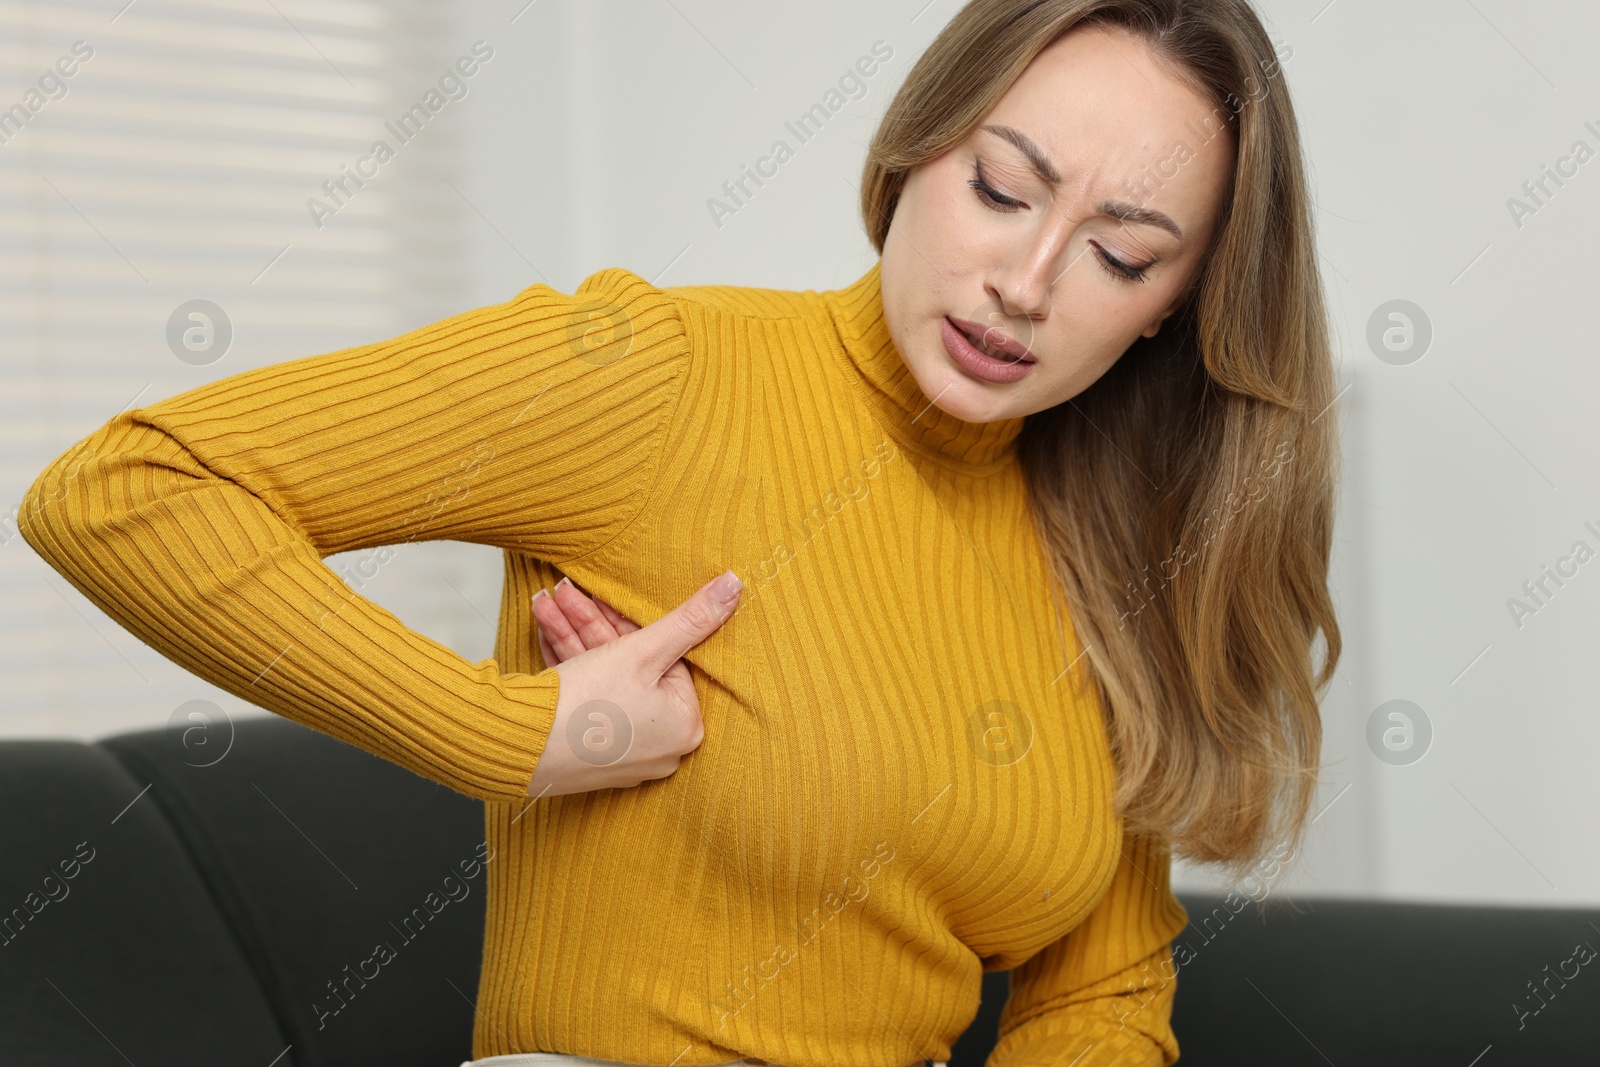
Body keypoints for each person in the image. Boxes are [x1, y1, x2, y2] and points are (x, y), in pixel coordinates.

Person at [18, 1, 1339, 1065]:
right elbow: (123, 490)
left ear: (1176, 306)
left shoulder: (1109, 551)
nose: (1028, 281)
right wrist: (517, 735)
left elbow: (1099, 986)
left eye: (1120, 256)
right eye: (1002, 187)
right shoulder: (660, 372)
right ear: (916, 151)